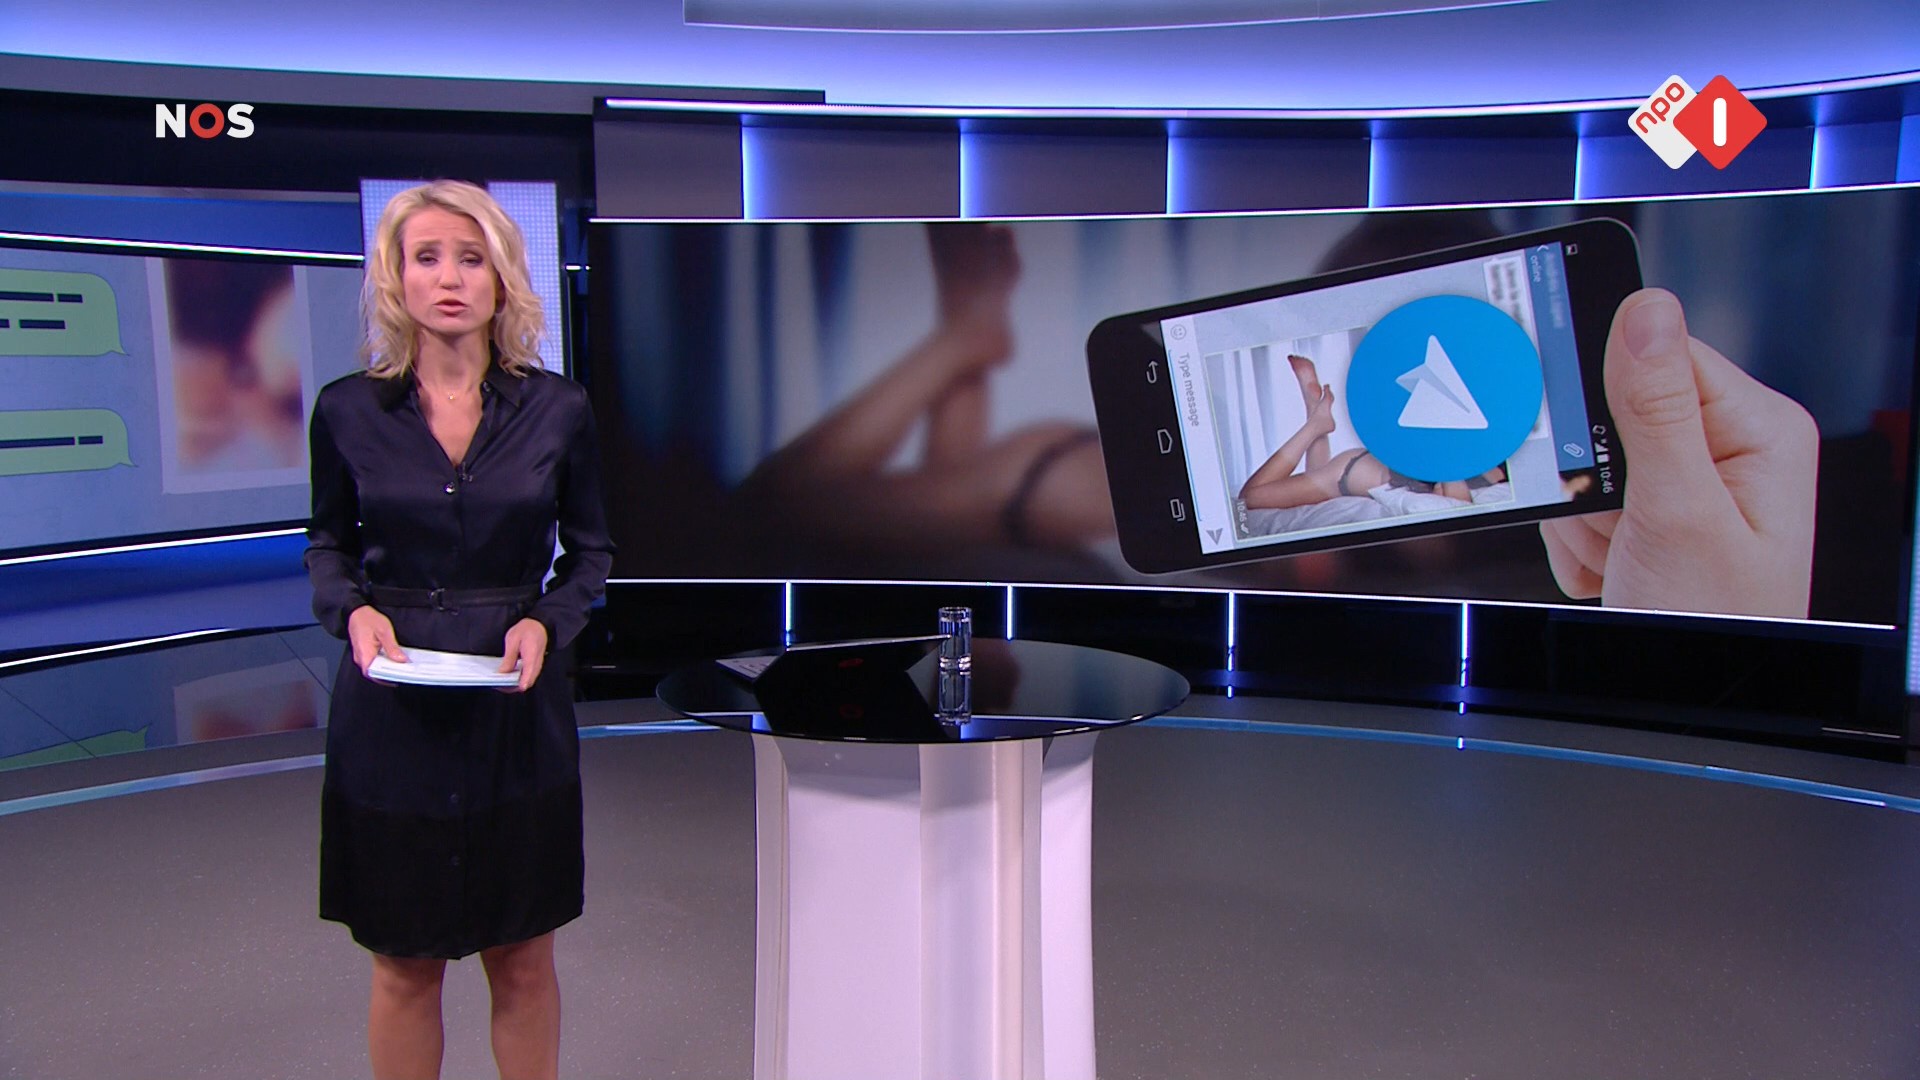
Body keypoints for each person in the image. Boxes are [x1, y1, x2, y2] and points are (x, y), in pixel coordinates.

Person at [304, 180, 613, 1080]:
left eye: (471, 259)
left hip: (516, 707)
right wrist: (354, 610)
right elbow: (328, 545)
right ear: (395, 277)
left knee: (522, 958)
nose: (449, 278)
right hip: (391, 708)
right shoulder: (346, 410)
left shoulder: (560, 409)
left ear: (503, 277)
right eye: (427, 257)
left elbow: (591, 553)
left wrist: (549, 623)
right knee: (405, 964)